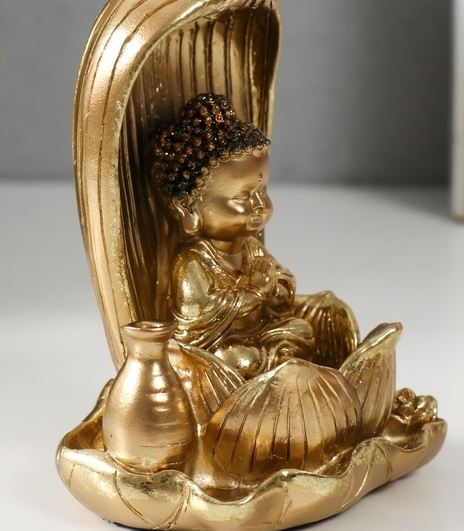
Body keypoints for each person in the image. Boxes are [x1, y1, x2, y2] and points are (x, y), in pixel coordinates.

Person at [152, 93, 359, 379]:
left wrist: (278, 287)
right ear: (188, 208)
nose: (260, 205)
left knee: (308, 323)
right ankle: (281, 377)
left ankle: (291, 372)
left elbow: (279, 289)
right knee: (239, 360)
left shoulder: (251, 248)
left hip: (262, 332)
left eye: (263, 192)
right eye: (242, 197)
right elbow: (199, 319)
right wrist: (255, 291)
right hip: (224, 347)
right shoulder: (192, 261)